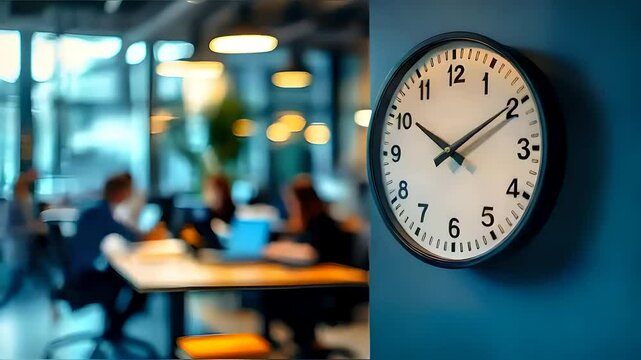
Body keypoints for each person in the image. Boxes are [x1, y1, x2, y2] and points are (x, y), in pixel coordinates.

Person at [261, 175, 352, 358]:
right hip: (313, 285)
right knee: (269, 293)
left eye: (292, 201)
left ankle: (303, 344)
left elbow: (311, 253)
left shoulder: (322, 223)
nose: (289, 206)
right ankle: (302, 342)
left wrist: (280, 250)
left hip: (329, 289)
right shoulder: (308, 222)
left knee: (273, 296)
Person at [69, 173, 145, 339]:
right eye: (127, 192)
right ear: (119, 193)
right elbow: (132, 236)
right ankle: (114, 330)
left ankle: (113, 329)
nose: (129, 196)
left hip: (81, 272)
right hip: (85, 278)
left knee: (118, 275)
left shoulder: (96, 210)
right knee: (137, 287)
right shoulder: (101, 213)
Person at [183, 174, 236, 249]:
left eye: (219, 192)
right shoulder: (201, 216)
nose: (216, 195)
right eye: (212, 191)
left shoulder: (234, 213)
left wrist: (227, 231)